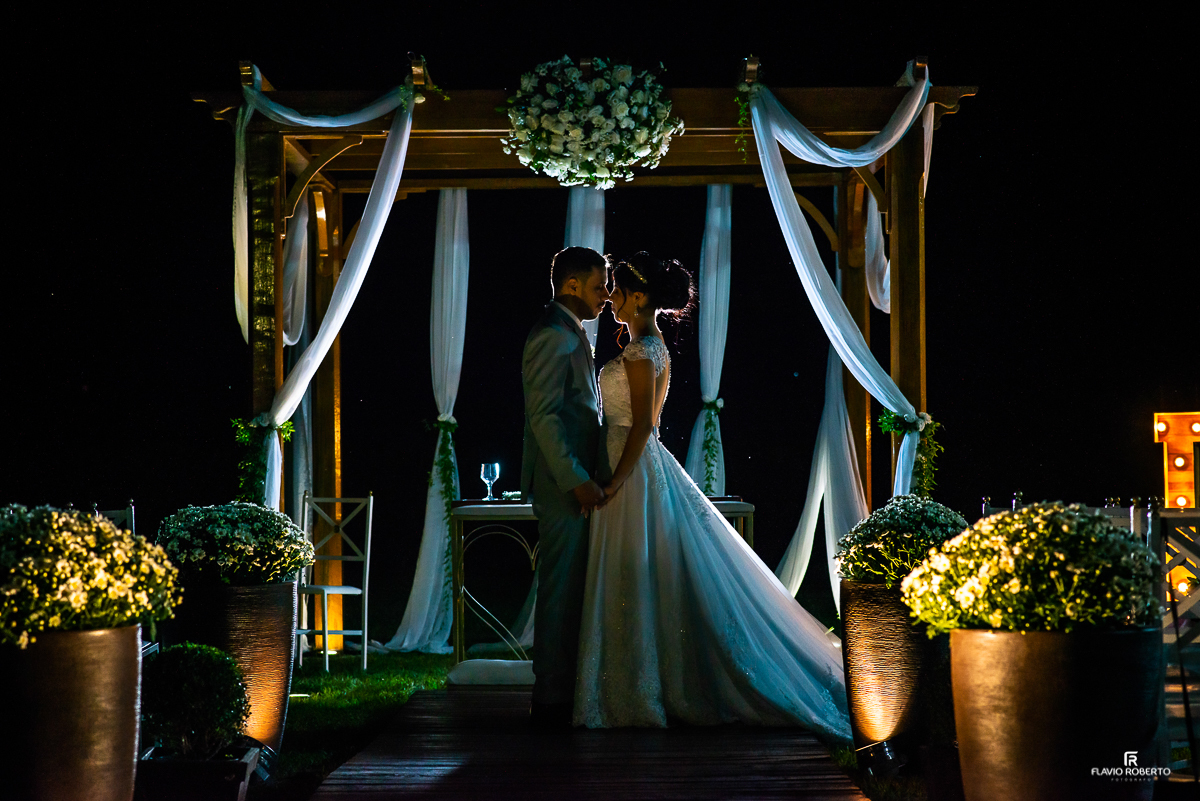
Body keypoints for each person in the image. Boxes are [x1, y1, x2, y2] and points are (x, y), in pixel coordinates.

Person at [573, 252, 852, 742]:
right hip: (637, 465)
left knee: (635, 573)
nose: (611, 298)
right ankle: (640, 684)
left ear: (639, 297)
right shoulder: (649, 345)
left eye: (616, 289)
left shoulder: (642, 353)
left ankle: (639, 689)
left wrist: (614, 482)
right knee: (644, 575)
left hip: (632, 470)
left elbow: (642, 426)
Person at [520, 246, 610, 727]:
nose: (605, 297)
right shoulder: (552, 336)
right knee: (559, 590)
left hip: (574, 482)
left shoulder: (570, 331)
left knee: (574, 589)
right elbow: (546, 421)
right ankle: (551, 701)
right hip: (561, 485)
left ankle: (566, 691)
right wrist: (576, 480)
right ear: (571, 285)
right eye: (599, 287)